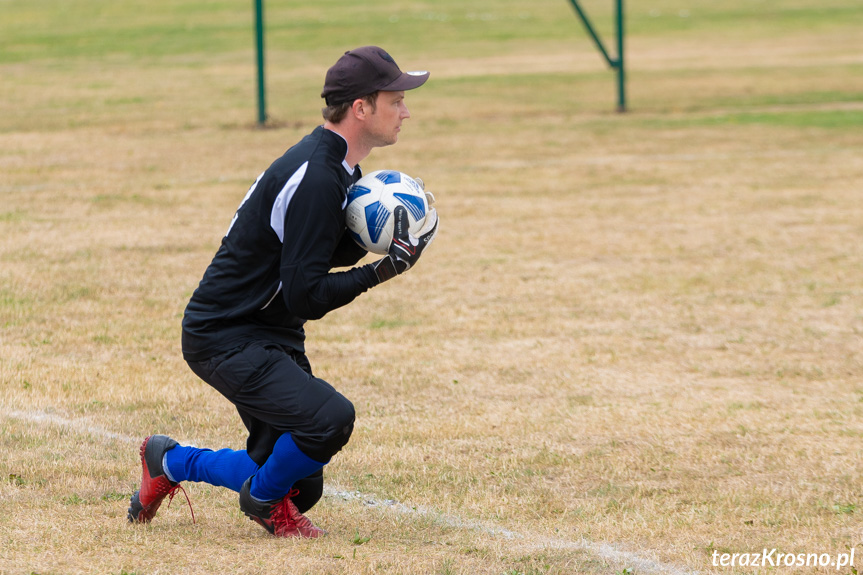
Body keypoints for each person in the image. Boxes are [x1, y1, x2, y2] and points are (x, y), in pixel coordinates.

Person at [127, 46, 438, 538]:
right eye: (395, 99)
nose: (406, 110)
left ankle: (168, 460)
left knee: (300, 483)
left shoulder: (337, 168)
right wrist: (384, 270)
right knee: (331, 420)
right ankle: (263, 502)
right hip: (225, 334)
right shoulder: (317, 176)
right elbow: (305, 295)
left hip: (268, 329)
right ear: (361, 107)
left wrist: (371, 242)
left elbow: (308, 257)